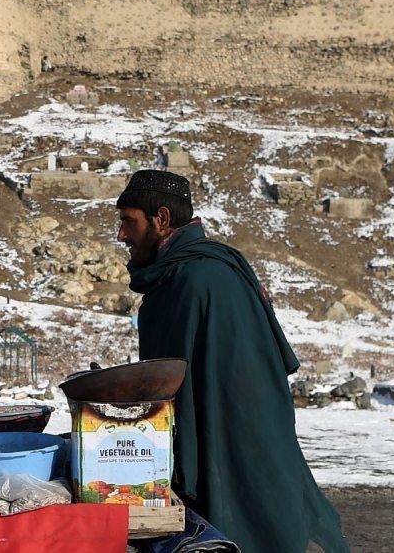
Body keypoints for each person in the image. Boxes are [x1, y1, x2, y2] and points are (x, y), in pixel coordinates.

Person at [117, 169, 350, 553]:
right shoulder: (198, 271)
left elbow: (182, 384)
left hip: (233, 435)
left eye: (129, 221)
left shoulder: (197, 280)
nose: (121, 235)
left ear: (160, 219)